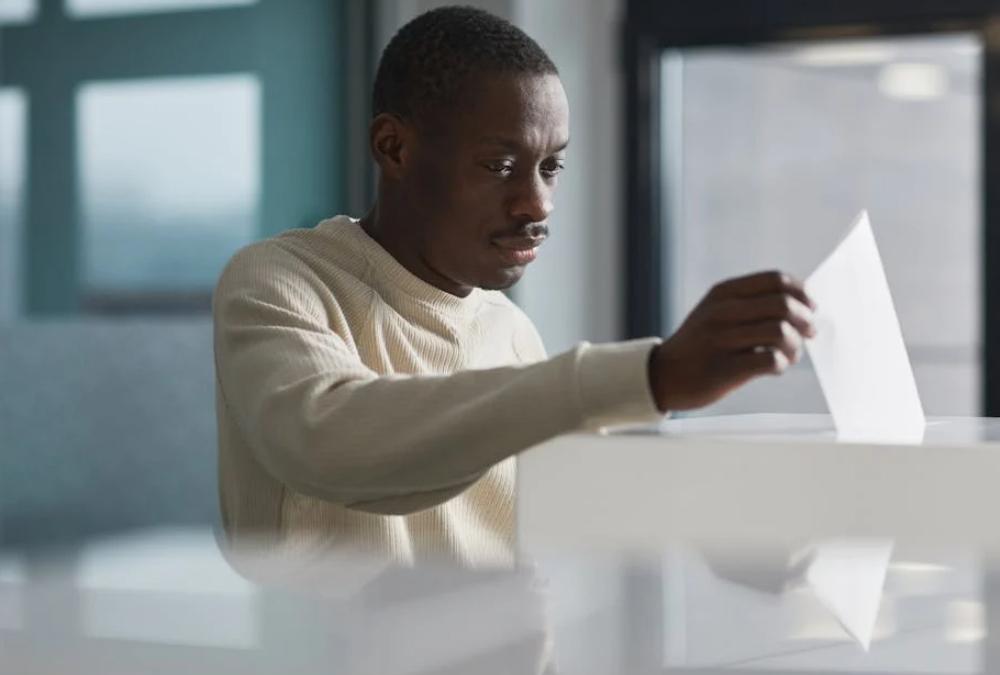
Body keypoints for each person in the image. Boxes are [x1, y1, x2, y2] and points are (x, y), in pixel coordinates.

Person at [213, 5, 816, 573]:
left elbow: (575, 519)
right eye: (500, 166)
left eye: (550, 166)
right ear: (393, 147)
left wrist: (722, 538)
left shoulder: (510, 332)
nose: (538, 203)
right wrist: (651, 374)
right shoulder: (282, 280)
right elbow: (330, 443)